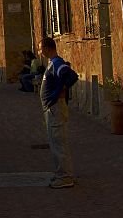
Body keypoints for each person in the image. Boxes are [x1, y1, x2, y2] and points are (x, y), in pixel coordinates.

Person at [39, 37, 75, 188]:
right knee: (55, 142)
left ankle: (65, 176)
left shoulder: (57, 63)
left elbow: (71, 76)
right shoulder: (52, 64)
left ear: (47, 48)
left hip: (56, 108)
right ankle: (61, 173)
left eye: (41, 48)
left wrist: (58, 92)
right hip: (52, 108)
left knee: (59, 142)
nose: (40, 52)